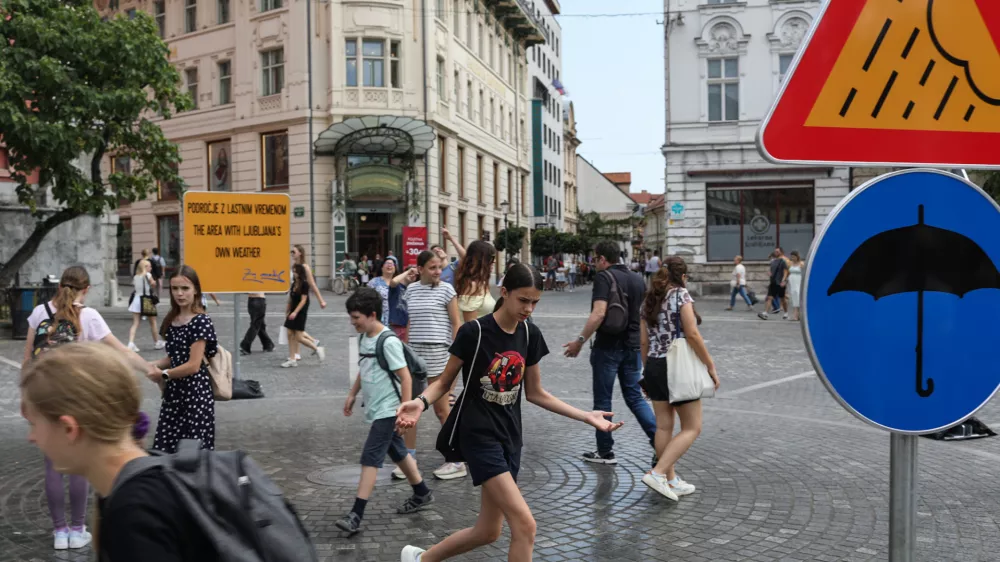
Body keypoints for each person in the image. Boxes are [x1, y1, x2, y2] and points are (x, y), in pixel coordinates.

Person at [396, 264, 624, 562]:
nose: (529, 308)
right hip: (479, 435)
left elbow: (535, 393)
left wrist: (585, 416)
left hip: (510, 437)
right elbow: (444, 382)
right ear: (504, 293)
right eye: (523, 300)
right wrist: (420, 402)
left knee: (488, 531)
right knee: (525, 525)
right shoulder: (474, 332)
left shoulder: (530, 334)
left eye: (535, 302)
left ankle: (421, 559)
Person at [20, 342, 216, 561]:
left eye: (33, 424)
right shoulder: (127, 490)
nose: (31, 437)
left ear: (69, 429)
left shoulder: (133, 515)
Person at [22, 266, 153, 551]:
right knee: (78, 466)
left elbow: (27, 359)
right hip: (77, 398)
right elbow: (121, 350)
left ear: (60, 286)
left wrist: (27, 400)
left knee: (52, 467)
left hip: (46, 398)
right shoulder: (89, 316)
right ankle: (78, 528)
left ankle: (60, 532)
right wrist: (150, 370)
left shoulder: (40, 312)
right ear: (86, 289)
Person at [336, 288, 434, 535]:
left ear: (372, 314)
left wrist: (404, 412)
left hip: (389, 411)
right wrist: (352, 394)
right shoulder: (364, 338)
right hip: (378, 407)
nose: (353, 322)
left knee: (370, 457)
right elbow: (365, 367)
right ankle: (422, 492)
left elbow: (405, 377)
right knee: (398, 451)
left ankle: (356, 514)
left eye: (356, 317)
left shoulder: (388, 341)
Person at [563, 240, 658, 465]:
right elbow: (645, 315)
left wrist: (579, 341)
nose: (594, 263)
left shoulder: (603, 278)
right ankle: (661, 443)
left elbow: (599, 313)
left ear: (603, 259)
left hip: (608, 347)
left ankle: (605, 452)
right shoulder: (637, 279)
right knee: (635, 397)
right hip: (633, 346)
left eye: (595, 259)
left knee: (603, 400)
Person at [639, 257, 720, 501]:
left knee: (664, 426)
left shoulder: (648, 300)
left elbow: (643, 342)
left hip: (654, 365)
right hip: (677, 367)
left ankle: (671, 480)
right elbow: (692, 334)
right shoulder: (681, 295)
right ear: (683, 277)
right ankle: (658, 473)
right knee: (692, 427)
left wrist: (647, 372)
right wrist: (710, 365)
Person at [403, 250, 464, 480]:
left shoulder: (447, 290)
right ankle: (408, 459)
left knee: (441, 409)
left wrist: (456, 356)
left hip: (439, 353)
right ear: (420, 269)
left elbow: (456, 324)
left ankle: (456, 459)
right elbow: (410, 322)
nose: (438, 271)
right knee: (410, 408)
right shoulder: (411, 290)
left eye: (439, 267)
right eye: (432, 267)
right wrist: (407, 349)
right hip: (415, 354)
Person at [149, 265, 218, 454]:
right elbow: (174, 357)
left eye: (185, 288)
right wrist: (150, 365)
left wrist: (163, 375)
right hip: (174, 394)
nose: (179, 294)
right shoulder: (172, 320)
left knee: (192, 454)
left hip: (195, 394)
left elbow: (194, 365)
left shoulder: (201, 321)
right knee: (166, 449)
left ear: (196, 290)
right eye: (175, 288)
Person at [283, 259, 325, 368]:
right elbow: (290, 299)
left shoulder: (304, 284)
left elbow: (303, 300)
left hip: (300, 312)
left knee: (299, 337)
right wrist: (287, 311)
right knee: (289, 333)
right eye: (293, 271)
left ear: (300, 272)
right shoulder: (294, 284)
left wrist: (295, 312)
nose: (293, 273)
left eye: (295, 271)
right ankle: (292, 359)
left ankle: (317, 349)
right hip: (292, 311)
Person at [289, 244, 327, 362]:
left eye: (294, 251)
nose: (292, 254)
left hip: (302, 299)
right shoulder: (294, 266)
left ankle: (311, 347)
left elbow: (312, 284)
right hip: (294, 298)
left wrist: (321, 300)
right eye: (291, 252)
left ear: (300, 253)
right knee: (292, 329)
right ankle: (297, 353)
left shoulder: (305, 267)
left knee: (296, 329)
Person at [127, 258, 165, 352]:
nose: (151, 268)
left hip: (136, 300)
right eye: (149, 266)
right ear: (145, 267)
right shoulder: (148, 275)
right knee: (153, 322)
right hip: (147, 300)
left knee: (135, 323)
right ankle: (156, 342)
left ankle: (131, 343)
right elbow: (153, 285)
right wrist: (153, 282)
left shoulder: (136, 276)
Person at [455, 240, 497, 323]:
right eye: (490, 258)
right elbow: (470, 326)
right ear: (479, 261)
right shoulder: (471, 286)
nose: (494, 261)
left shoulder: (482, 283)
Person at [759, 247, 789, 320]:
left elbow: (786, 271)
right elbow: (771, 270)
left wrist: (784, 280)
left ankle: (786, 313)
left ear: (781, 252)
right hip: (773, 282)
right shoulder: (773, 261)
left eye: (777, 251)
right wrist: (770, 273)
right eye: (775, 251)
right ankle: (765, 313)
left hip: (780, 282)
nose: (776, 253)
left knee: (782, 299)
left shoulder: (783, 261)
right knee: (769, 297)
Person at [787, 250, 804, 321]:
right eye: (791, 257)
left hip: (798, 281)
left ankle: (797, 315)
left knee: (798, 296)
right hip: (792, 281)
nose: (792, 258)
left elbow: (804, 273)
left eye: (794, 257)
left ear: (797, 257)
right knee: (793, 297)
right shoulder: (790, 263)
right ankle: (795, 315)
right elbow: (788, 272)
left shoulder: (801, 263)